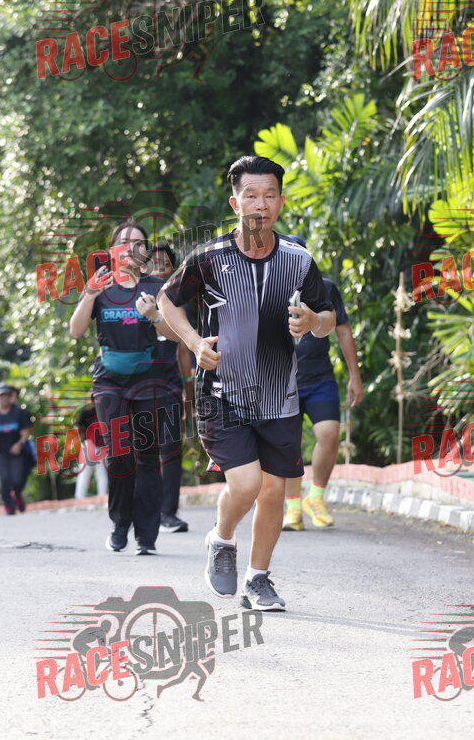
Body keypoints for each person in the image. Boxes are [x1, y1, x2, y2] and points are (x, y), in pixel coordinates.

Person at [158, 154, 336, 611]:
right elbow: (167, 300)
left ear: (281, 202)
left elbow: (327, 317)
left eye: (269, 195)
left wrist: (313, 321)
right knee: (246, 484)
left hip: (281, 396)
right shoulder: (209, 258)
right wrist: (195, 342)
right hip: (222, 393)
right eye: (251, 195)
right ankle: (221, 538)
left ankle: (258, 580)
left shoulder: (299, 259)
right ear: (235, 203)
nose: (261, 204)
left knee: (274, 490)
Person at [69, 219, 180, 555]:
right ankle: (120, 524)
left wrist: (155, 317)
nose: (131, 248)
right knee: (119, 454)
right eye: (124, 241)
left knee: (147, 457)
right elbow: (76, 330)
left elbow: (177, 335)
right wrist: (90, 294)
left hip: (149, 380)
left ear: (146, 252)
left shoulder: (156, 287)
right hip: (110, 381)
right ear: (112, 250)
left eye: (138, 243)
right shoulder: (100, 285)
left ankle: (146, 537)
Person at [282, 235, 364, 530]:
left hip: (320, 378)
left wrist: (355, 376)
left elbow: (343, 331)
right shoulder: (271, 290)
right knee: (289, 445)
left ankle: (315, 497)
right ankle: (292, 508)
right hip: (282, 383)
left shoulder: (325, 288)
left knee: (329, 434)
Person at [151, 243, 195, 533]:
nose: (159, 269)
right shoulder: (129, 301)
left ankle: (169, 513)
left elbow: (183, 349)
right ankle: (142, 508)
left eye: (165, 264)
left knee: (170, 450)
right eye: (153, 263)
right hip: (133, 387)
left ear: (172, 270)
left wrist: (188, 393)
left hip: (168, 386)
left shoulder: (177, 305)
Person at [0, 383, 32, 514]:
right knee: (4, 478)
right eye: (1, 396)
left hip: (16, 451)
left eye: (6, 395)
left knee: (17, 479)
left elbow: (26, 430)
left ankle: (17, 495)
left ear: (11, 397)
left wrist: (19, 444)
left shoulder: (19, 413)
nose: (4, 398)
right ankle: (8, 505)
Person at [74, 398, 108, 499]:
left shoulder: (86, 412)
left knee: (84, 473)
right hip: (103, 445)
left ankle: (79, 498)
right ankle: (102, 497)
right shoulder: (105, 411)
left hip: (88, 444)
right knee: (102, 473)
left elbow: (77, 428)